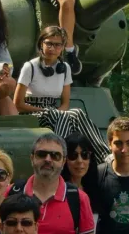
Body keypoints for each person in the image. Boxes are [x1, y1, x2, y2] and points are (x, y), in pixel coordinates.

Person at [15, 26, 109, 159]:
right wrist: (45, 110)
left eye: (58, 45)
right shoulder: (30, 67)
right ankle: (62, 155)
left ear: (63, 47)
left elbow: (65, 103)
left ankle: (102, 157)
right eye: (49, 43)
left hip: (54, 113)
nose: (53, 48)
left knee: (73, 114)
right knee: (70, 115)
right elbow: (18, 104)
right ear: (41, 44)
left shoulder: (65, 69)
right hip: (31, 113)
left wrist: (57, 113)